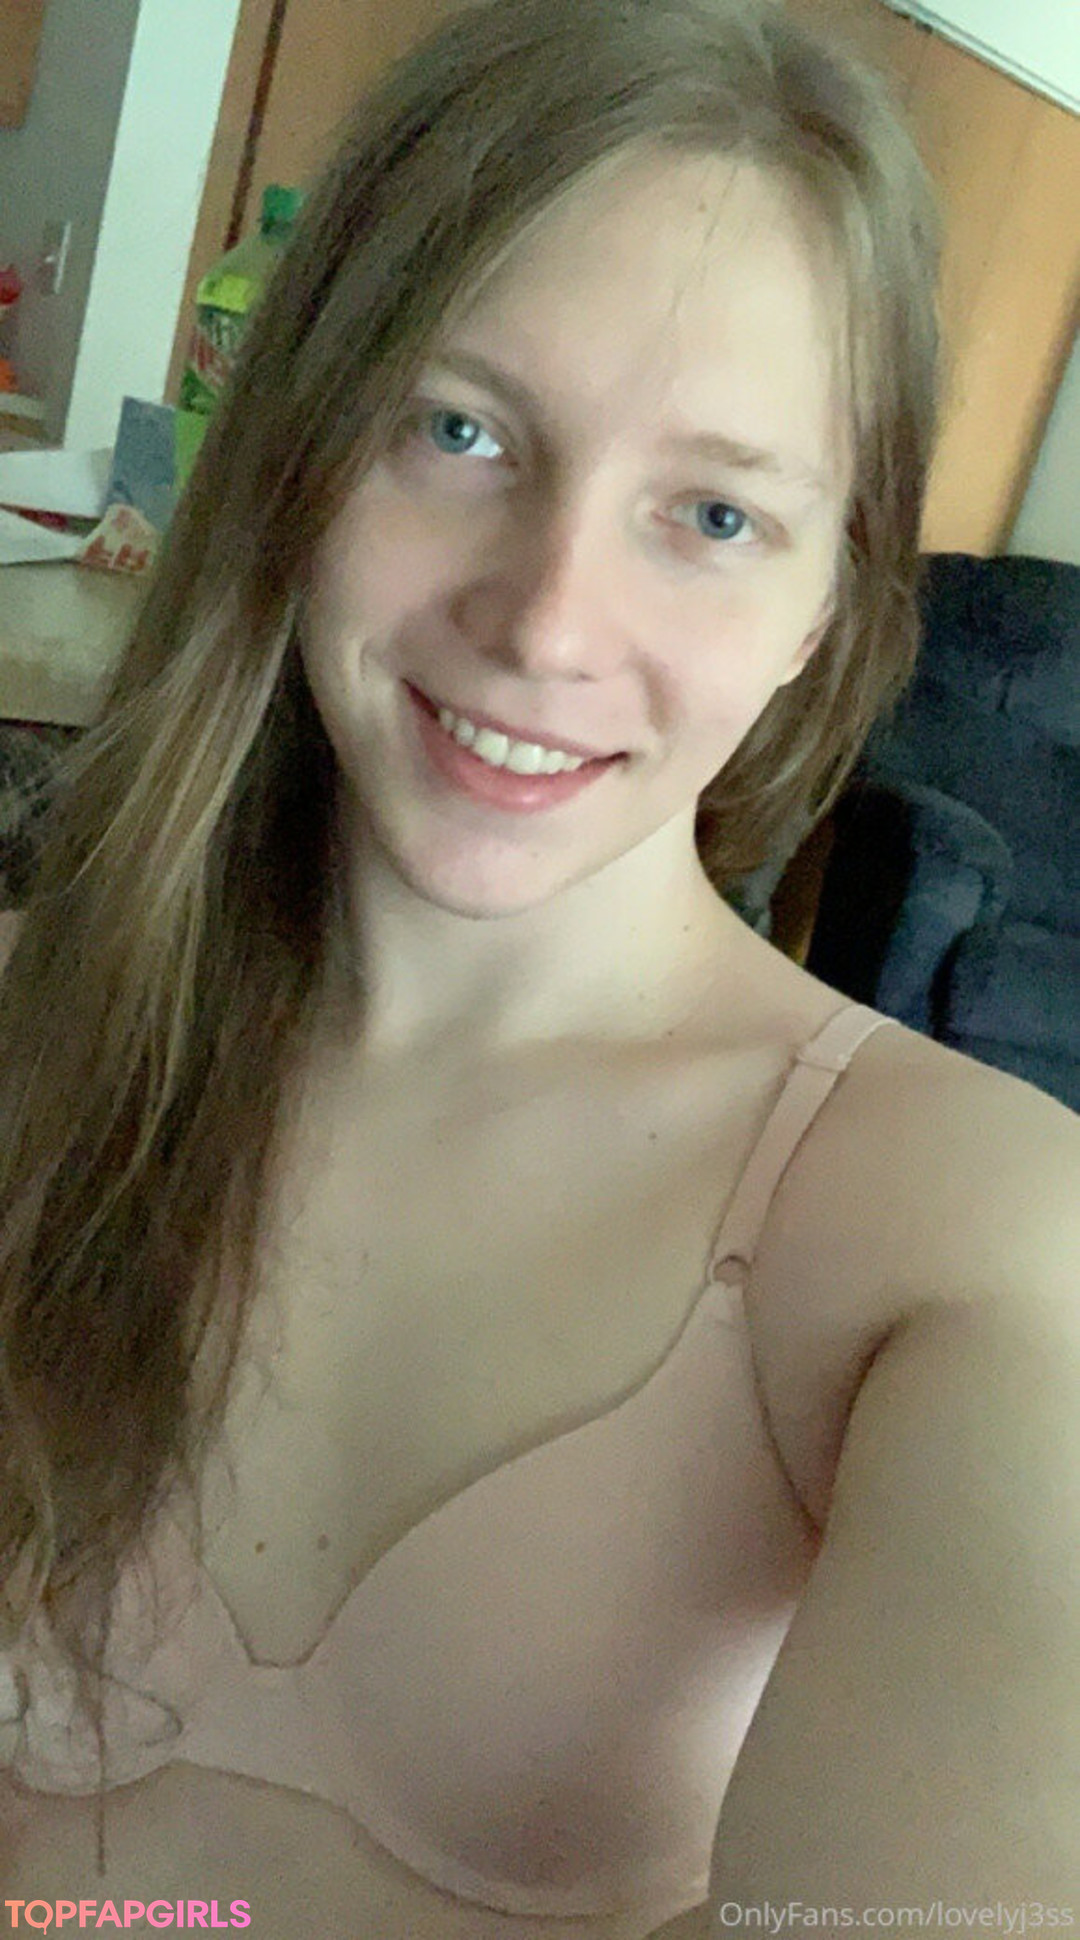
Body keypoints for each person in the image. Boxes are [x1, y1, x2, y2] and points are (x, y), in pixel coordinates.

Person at [1, 0, 1077, 1933]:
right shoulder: (30, 1025)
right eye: (462, 430)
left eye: (715, 514)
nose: (547, 622)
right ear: (300, 440)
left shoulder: (972, 1234)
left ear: (826, 603)